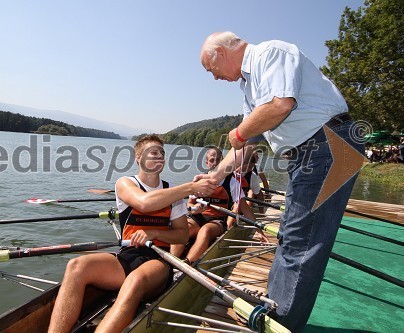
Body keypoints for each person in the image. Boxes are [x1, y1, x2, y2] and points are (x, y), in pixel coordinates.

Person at [198, 32, 364, 332]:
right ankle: (276, 306)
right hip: (312, 152)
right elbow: (247, 144)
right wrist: (216, 175)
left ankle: (280, 322)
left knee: (301, 242)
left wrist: (238, 132)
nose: (213, 78)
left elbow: (279, 105)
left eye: (211, 70)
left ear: (221, 53)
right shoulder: (249, 86)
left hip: (329, 145)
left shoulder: (269, 53)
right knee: (290, 237)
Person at [48, 134, 217, 333]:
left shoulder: (172, 191)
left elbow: (181, 235)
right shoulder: (125, 183)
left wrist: (155, 232)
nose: (160, 157)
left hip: (158, 261)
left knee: (134, 280)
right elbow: (144, 203)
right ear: (139, 158)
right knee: (76, 266)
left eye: (162, 153)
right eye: (154, 152)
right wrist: (190, 187)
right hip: (127, 256)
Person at [171, 146, 267, 265]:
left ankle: (186, 264)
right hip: (199, 216)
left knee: (205, 231)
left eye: (218, 160)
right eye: (212, 160)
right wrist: (195, 209)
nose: (215, 163)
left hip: (218, 220)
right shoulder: (199, 180)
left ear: (223, 162)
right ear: (207, 163)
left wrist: (259, 229)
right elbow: (190, 203)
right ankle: (170, 262)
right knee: (184, 229)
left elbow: (245, 207)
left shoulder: (232, 181)